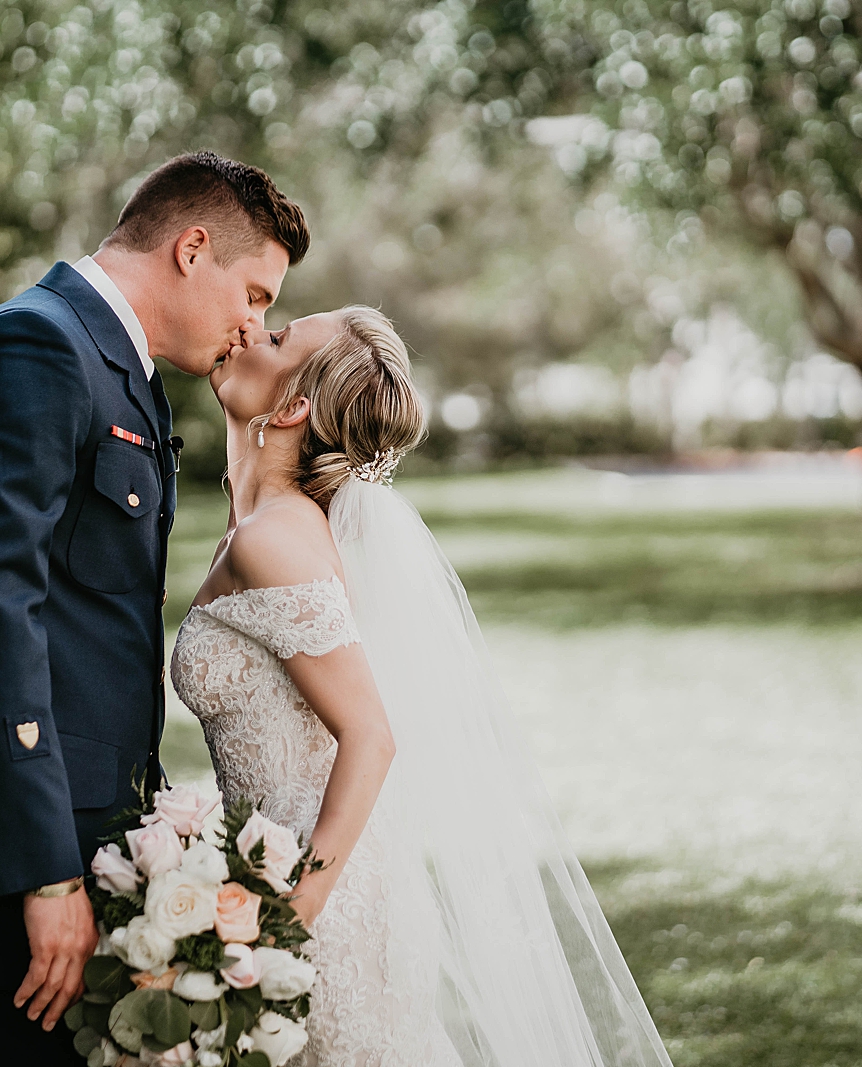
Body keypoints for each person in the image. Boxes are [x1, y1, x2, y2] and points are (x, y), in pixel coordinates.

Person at [0, 152, 308, 1065]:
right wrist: (42, 872)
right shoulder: (34, 349)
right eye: (254, 293)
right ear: (192, 247)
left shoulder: (115, 370)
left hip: (73, 862)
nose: (256, 326)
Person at [171, 308, 673, 1065]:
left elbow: (371, 735)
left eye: (275, 338)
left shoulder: (273, 538)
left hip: (315, 903)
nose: (247, 330)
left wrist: (290, 918)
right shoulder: (271, 528)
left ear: (296, 407)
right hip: (286, 878)